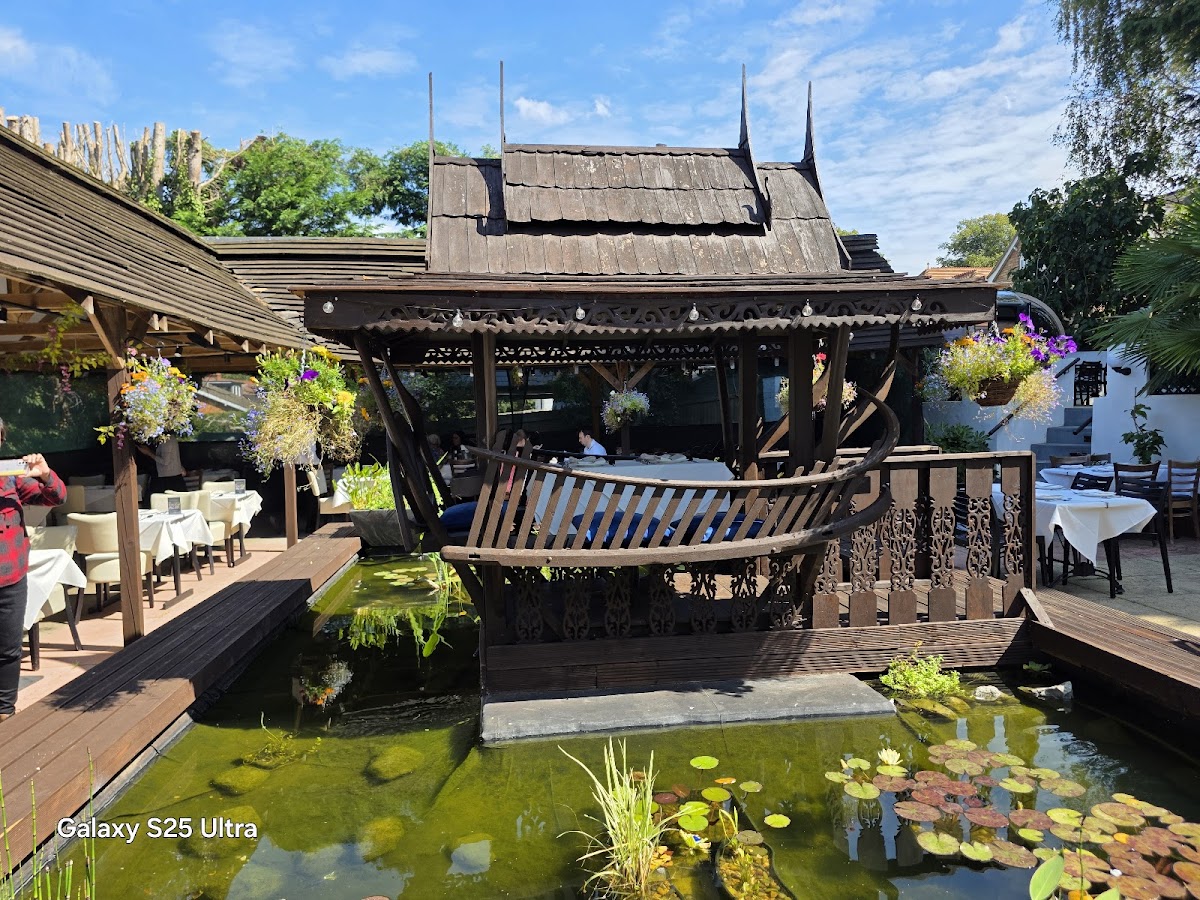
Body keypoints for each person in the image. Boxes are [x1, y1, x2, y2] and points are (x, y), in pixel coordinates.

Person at [0, 416, 67, 720]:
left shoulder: (11, 476)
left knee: (9, 648)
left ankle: (5, 711)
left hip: (11, 578)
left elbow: (57, 497)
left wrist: (45, 474)